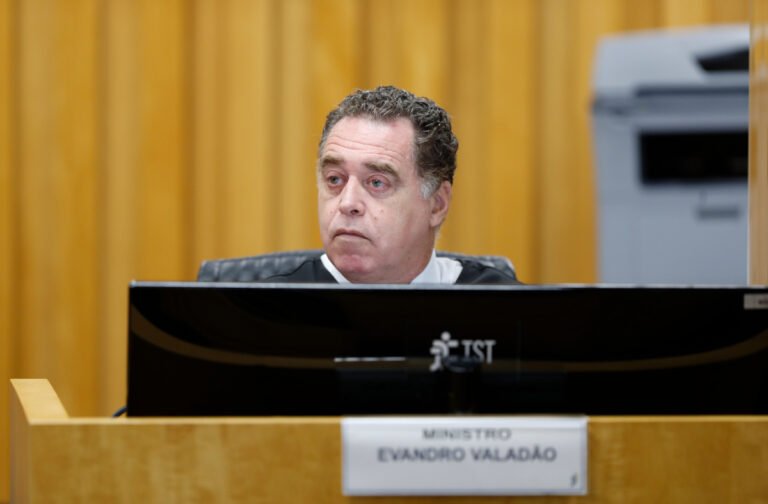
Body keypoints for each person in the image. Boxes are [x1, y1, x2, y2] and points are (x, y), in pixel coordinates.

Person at [254, 86, 518, 285]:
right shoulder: (261, 315)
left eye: (377, 183)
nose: (347, 203)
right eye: (335, 179)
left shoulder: (508, 313)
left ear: (437, 204)